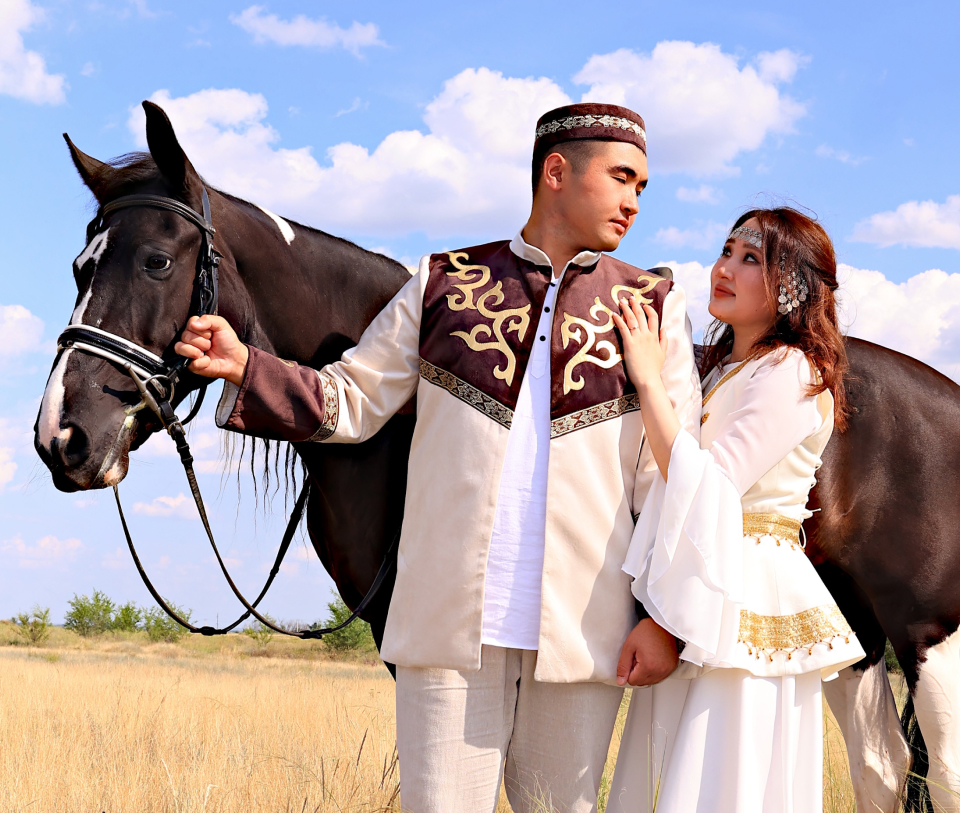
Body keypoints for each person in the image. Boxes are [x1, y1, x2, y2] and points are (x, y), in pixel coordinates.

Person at [175, 103, 701, 813]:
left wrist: (664, 619)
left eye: (642, 186)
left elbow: (672, 480)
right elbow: (351, 399)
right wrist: (247, 366)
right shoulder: (442, 283)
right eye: (621, 178)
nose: (634, 201)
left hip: (586, 634)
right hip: (448, 627)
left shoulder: (651, 304)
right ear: (556, 172)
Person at [608, 208, 866, 813]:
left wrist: (648, 379)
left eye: (751, 259)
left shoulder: (794, 370)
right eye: (726, 251)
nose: (724, 269)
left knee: (726, 777)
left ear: (793, 287)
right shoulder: (728, 370)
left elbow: (711, 486)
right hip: (701, 583)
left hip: (744, 589)